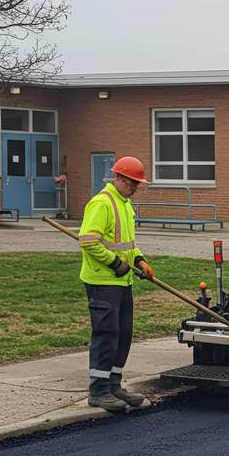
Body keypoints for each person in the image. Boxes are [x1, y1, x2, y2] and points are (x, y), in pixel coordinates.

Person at [77, 156, 154, 412]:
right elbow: (88, 241)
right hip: (103, 281)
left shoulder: (125, 204)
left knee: (123, 334)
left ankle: (114, 384)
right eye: (132, 183)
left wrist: (140, 260)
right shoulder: (101, 203)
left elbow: (127, 243)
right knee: (106, 334)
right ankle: (98, 390)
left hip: (123, 281)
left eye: (137, 184)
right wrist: (114, 263)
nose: (135, 187)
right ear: (119, 178)